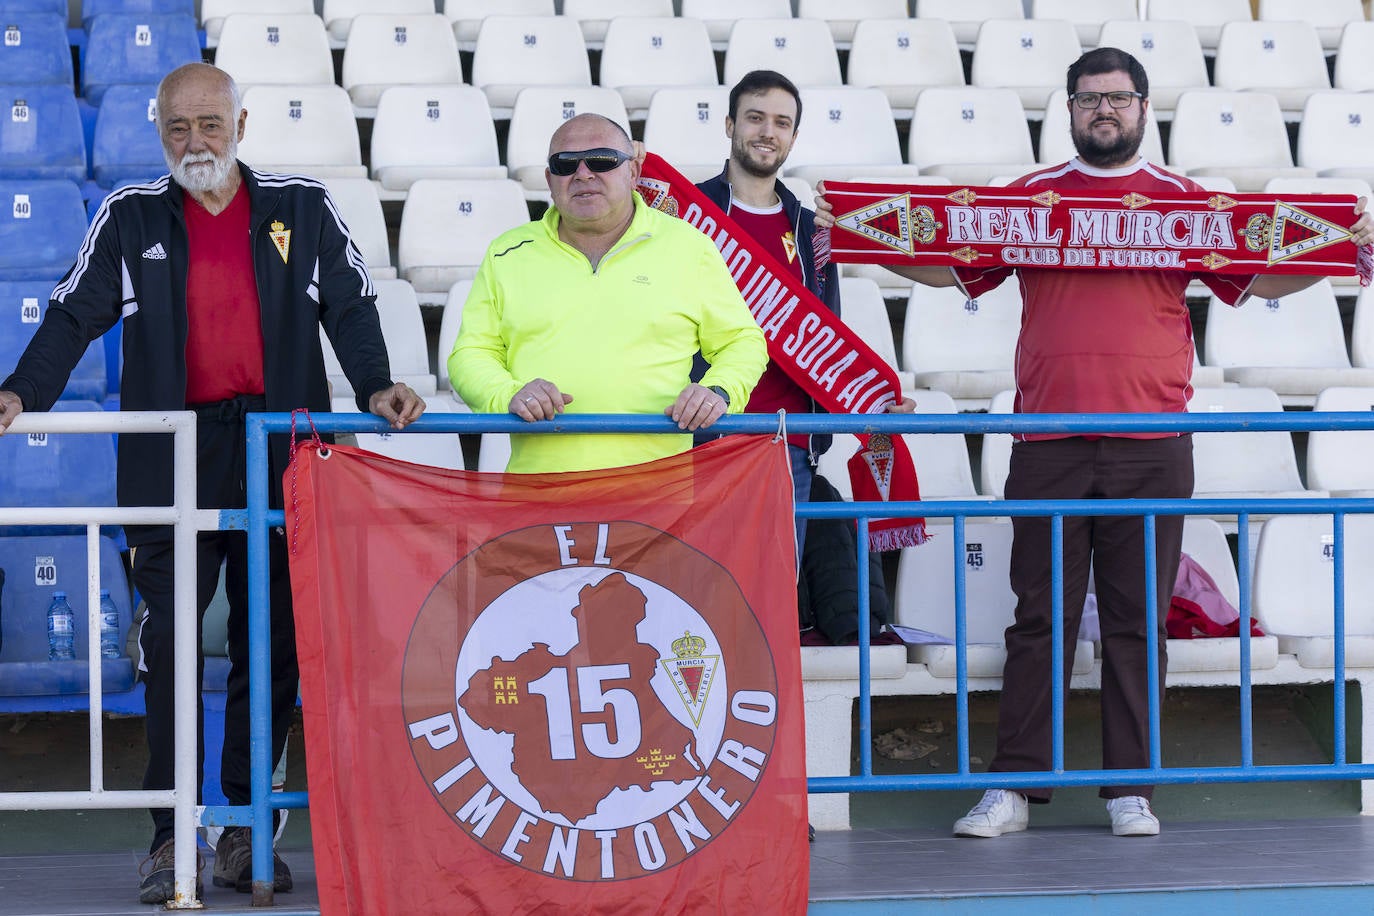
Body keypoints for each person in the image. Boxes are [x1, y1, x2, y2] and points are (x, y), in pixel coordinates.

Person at [817, 47, 1374, 838]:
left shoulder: (1186, 204)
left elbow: (1257, 276)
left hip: (1154, 441)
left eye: (1116, 99)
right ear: (1069, 110)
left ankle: (1129, 789)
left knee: (1136, 620)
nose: (1102, 111)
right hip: (1047, 439)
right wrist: (856, 229)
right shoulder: (1027, 202)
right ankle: (1014, 786)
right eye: (1087, 99)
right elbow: (952, 268)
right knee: (1036, 617)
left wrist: (1336, 248)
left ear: (1143, 109)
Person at [0, 62, 425, 902]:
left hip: (278, 452)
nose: (196, 141)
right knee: (168, 647)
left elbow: (350, 305)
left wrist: (375, 384)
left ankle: (243, 825)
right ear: (160, 132)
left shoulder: (299, 208)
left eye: (210, 124)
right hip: (172, 458)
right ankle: (171, 833)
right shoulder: (129, 217)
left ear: (241, 122)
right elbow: (73, 313)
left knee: (272, 648)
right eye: (178, 128)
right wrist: (21, 391)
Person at [449, 113, 768, 474]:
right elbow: (470, 354)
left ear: (633, 172)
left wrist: (718, 391)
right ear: (549, 180)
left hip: (658, 495)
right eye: (565, 164)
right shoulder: (506, 253)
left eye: (602, 160)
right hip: (539, 494)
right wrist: (507, 394)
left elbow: (742, 341)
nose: (583, 174)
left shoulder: (690, 247)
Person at [693, 69, 914, 555]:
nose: (767, 132)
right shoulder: (688, 217)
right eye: (755, 118)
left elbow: (825, 334)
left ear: (793, 135)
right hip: (701, 439)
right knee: (700, 603)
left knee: (773, 607)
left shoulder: (812, 229)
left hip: (786, 443)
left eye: (781, 122)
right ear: (729, 125)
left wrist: (869, 400)